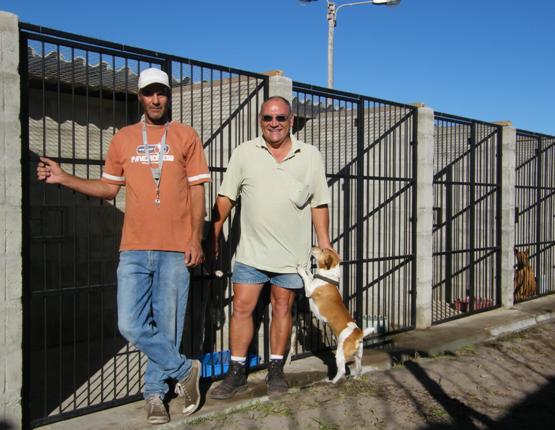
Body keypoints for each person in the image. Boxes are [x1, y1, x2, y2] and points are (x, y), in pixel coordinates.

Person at [36, 68, 210, 425]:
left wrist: (196, 237)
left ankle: (155, 395)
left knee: (168, 327)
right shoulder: (123, 138)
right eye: (149, 93)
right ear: (139, 97)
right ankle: (185, 369)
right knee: (130, 323)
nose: (156, 100)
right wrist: (64, 177)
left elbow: (197, 191)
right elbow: (107, 189)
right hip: (134, 249)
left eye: (161, 92)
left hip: (176, 248)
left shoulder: (185, 135)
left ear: (168, 95)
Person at [210, 96, 332, 399]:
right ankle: (237, 372)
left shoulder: (310, 156)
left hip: (291, 256)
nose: (274, 123)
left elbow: (319, 203)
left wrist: (325, 243)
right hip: (251, 253)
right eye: (268, 118)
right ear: (260, 121)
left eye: (280, 118)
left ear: (291, 120)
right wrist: (213, 232)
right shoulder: (244, 153)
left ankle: (276, 370)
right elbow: (226, 197)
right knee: (241, 308)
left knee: (282, 308)